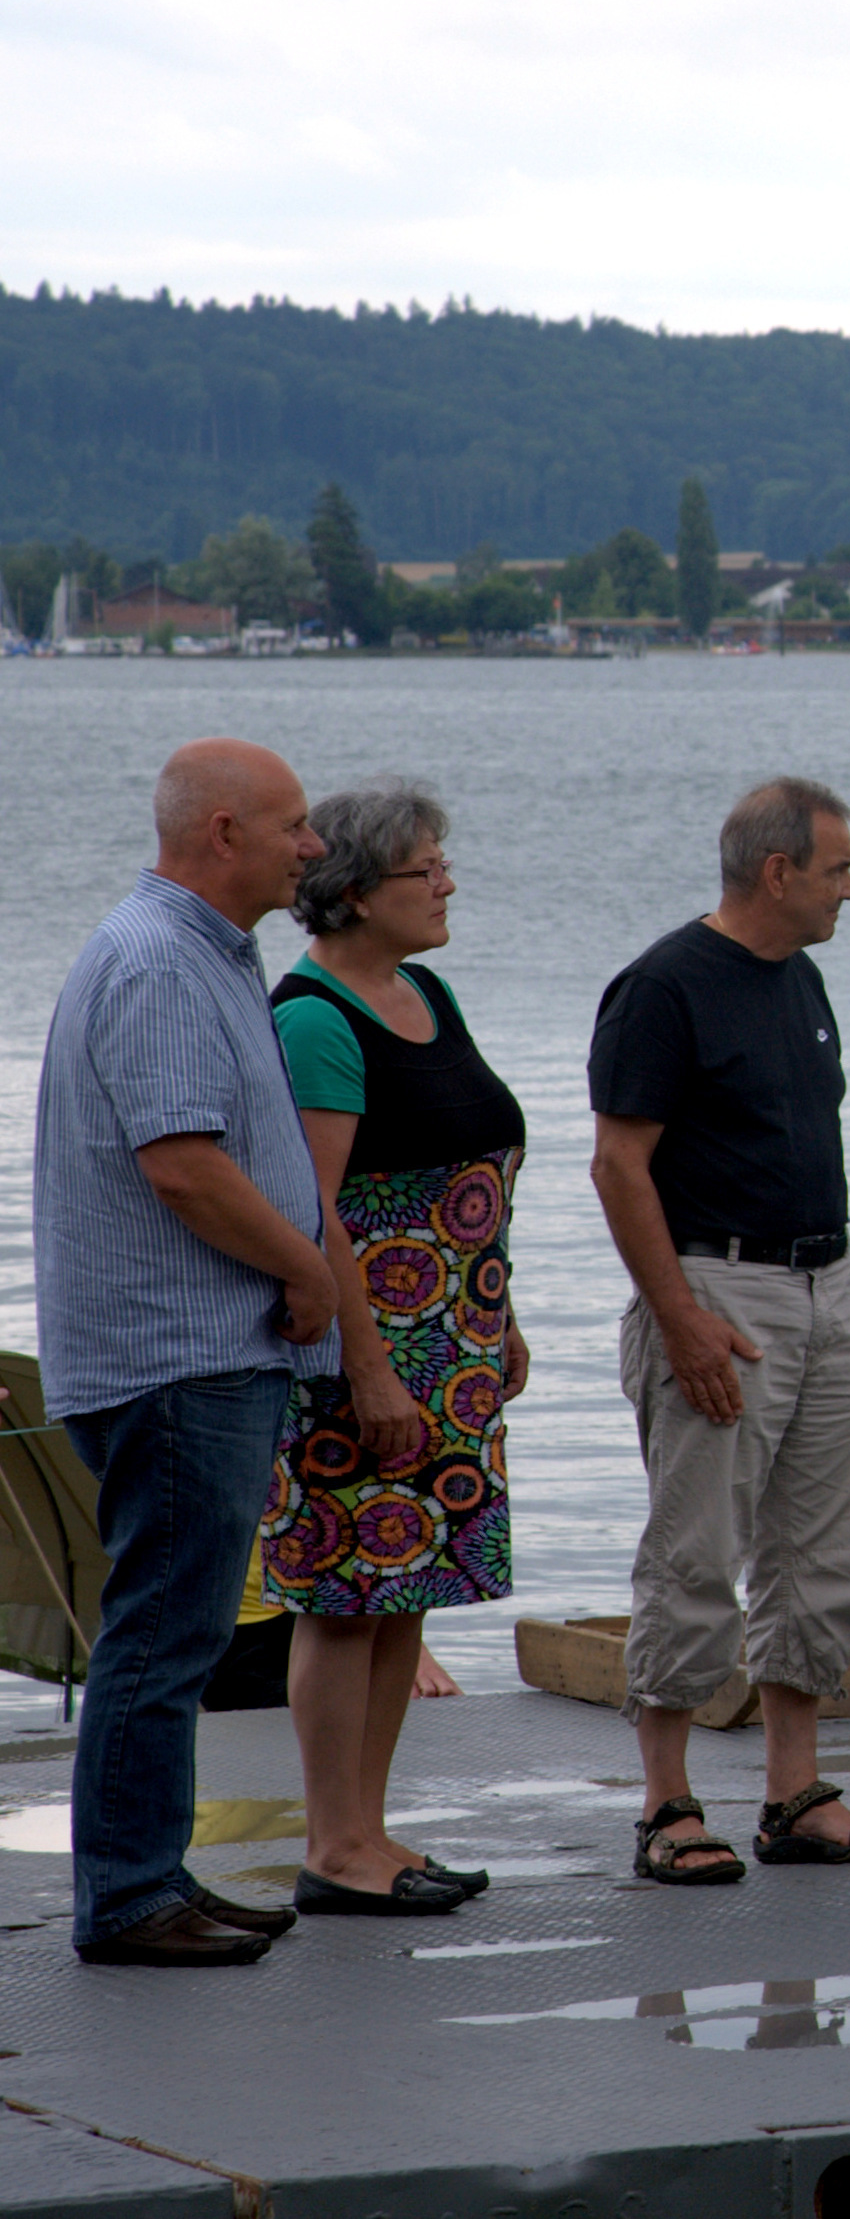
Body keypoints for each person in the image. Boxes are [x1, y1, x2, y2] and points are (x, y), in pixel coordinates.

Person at [31, 741, 346, 1965]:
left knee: (177, 1629)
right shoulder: (161, 959)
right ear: (224, 831)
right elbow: (183, 1163)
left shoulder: (197, 950)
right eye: (296, 824)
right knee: (165, 1633)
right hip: (178, 1354)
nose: (312, 846)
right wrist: (308, 1267)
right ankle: (126, 1894)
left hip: (193, 1352)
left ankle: (153, 1871)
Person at [587, 776, 850, 1882]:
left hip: (824, 1286)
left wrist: (848, 1305)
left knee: (824, 1552)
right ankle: (667, 1802)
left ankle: (793, 1790)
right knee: (694, 1548)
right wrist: (679, 1318)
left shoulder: (802, 976)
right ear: (778, 872)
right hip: (716, 1288)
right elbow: (618, 1161)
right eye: (835, 870)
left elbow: (810, 1146)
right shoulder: (664, 986)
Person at [264, 781, 528, 1915]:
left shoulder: (426, 989)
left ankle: (372, 1830)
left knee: (405, 1587)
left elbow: (472, 1164)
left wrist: (499, 1319)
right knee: (342, 1595)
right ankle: (333, 1843)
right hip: (368, 1351)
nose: (448, 882)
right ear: (358, 891)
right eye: (427, 869)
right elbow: (317, 1209)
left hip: (455, 1345)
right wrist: (365, 1367)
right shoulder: (315, 1017)